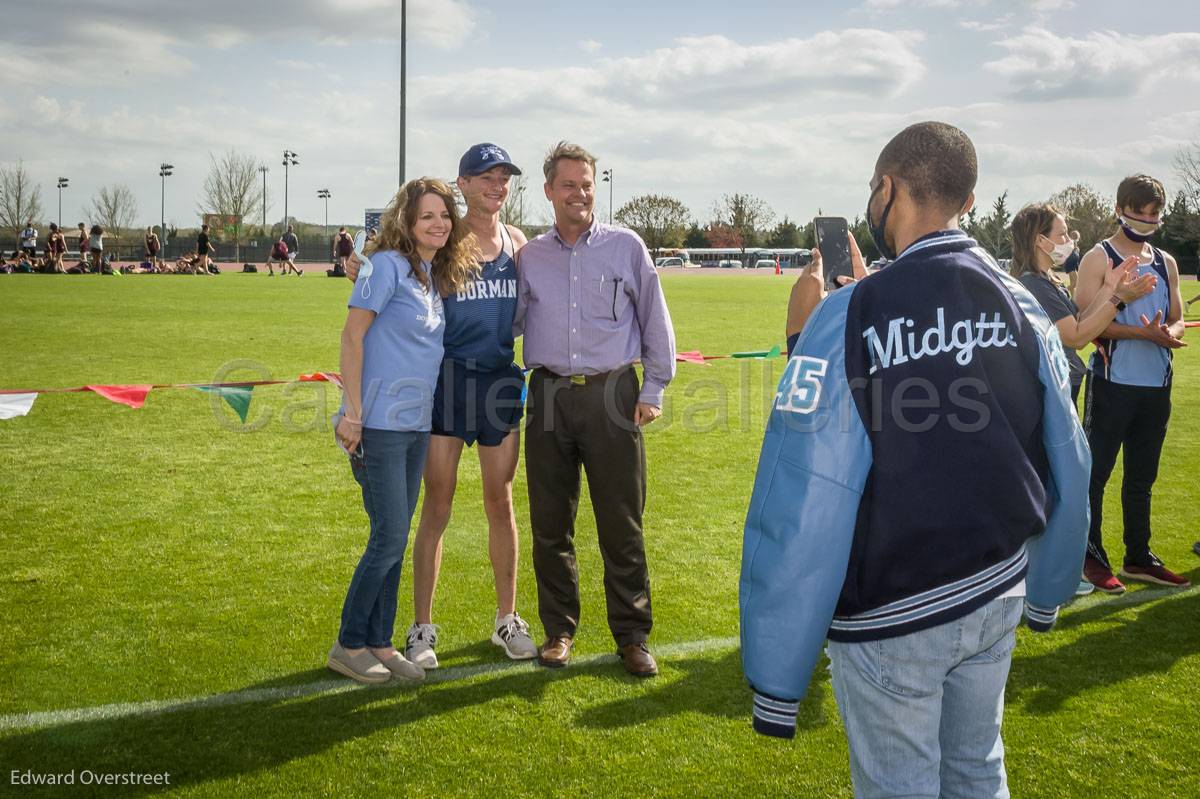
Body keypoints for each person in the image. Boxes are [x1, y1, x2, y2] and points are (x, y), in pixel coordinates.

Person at [740, 121, 1090, 798]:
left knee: (901, 783)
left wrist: (777, 673)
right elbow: (1068, 447)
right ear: (968, 195)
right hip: (998, 585)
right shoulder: (1021, 301)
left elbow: (803, 490)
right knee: (977, 768)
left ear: (888, 188)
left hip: (894, 609)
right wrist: (1048, 587)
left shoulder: (848, 313)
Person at [513, 141, 676, 677]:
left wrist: (653, 388)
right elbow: (507, 321)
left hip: (613, 395)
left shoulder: (626, 246)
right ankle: (559, 630)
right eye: (568, 185)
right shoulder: (529, 256)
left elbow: (655, 318)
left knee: (621, 522)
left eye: (586, 184)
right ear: (548, 191)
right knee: (550, 522)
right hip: (549, 396)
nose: (579, 194)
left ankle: (632, 635)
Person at [327, 177, 479, 685]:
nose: (439, 224)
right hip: (378, 424)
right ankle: (349, 643)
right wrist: (352, 413)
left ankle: (380, 641)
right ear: (406, 222)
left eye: (444, 216)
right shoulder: (386, 265)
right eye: (427, 216)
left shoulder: (432, 275)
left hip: (416, 425)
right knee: (390, 538)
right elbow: (353, 337)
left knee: (389, 536)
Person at [406, 144, 534, 666]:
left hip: (501, 383)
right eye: (486, 176)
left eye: (503, 177)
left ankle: (507, 620)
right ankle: (421, 630)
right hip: (448, 383)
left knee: (500, 502)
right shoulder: (445, 238)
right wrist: (355, 263)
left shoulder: (517, 242)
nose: (497, 185)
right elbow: (395, 265)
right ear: (462, 183)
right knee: (437, 504)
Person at [1010, 203, 1157, 597]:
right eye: (1062, 234)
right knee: (1049, 488)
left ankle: (1051, 570)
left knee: (1055, 486)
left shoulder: (1048, 279)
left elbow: (1084, 319)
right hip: (1043, 401)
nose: (1069, 240)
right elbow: (1075, 335)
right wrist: (1119, 300)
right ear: (1039, 240)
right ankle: (1041, 574)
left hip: (1058, 394)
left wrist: (1111, 289)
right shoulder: (1034, 283)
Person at [1075, 174, 1190, 592]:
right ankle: (1090, 557)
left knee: (1142, 478)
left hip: (1156, 387)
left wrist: (1168, 332)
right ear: (1119, 209)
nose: (1145, 220)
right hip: (1112, 384)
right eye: (1138, 212)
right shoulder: (1096, 258)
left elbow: (1176, 317)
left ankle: (1138, 557)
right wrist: (1141, 333)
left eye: (1153, 214)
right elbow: (1085, 326)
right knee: (1095, 475)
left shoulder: (1166, 261)